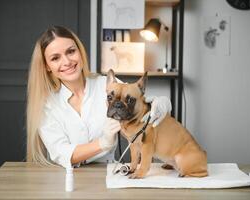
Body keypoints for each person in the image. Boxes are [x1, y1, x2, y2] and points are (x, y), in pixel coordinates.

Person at [26, 25, 172, 168]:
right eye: (55, 58)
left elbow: (141, 104)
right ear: (46, 66)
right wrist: (103, 143)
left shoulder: (107, 86)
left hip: (106, 174)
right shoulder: (47, 105)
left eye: (71, 51)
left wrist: (162, 104)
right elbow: (61, 153)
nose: (67, 62)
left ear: (80, 52)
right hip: (64, 179)